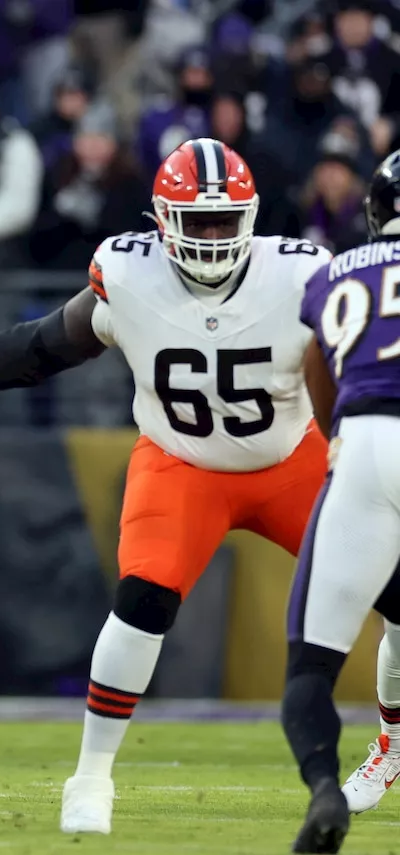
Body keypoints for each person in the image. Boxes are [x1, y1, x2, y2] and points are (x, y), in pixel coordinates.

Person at [0, 138, 333, 834]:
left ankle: (387, 748)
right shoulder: (129, 274)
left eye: (224, 221)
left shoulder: (301, 276)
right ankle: (90, 777)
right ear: (160, 221)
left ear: (252, 216)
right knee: (142, 601)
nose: (212, 237)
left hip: (292, 459)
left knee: (390, 584)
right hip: (182, 463)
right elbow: (35, 349)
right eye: (196, 221)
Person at [283, 149, 400, 854]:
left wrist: (335, 432)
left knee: (310, 669)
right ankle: (390, 753)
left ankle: (327, 789)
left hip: (363, 445)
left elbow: (315, 360)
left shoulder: (335, 271)